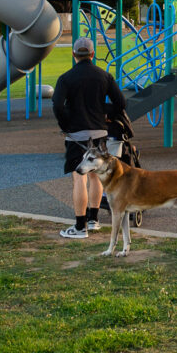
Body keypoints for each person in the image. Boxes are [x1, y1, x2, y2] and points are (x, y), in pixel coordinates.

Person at [52, 37, 126, 239]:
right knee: (96, 176)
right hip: (100, 133)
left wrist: (65, 124)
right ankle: (93, 220)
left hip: (77, 134)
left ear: (74, 54)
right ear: (93, 54)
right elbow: (121, 102)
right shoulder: (104, 76)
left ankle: (79, 227)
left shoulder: (66, 78)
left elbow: (57, 106)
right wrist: (106, 112)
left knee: (79, 178)